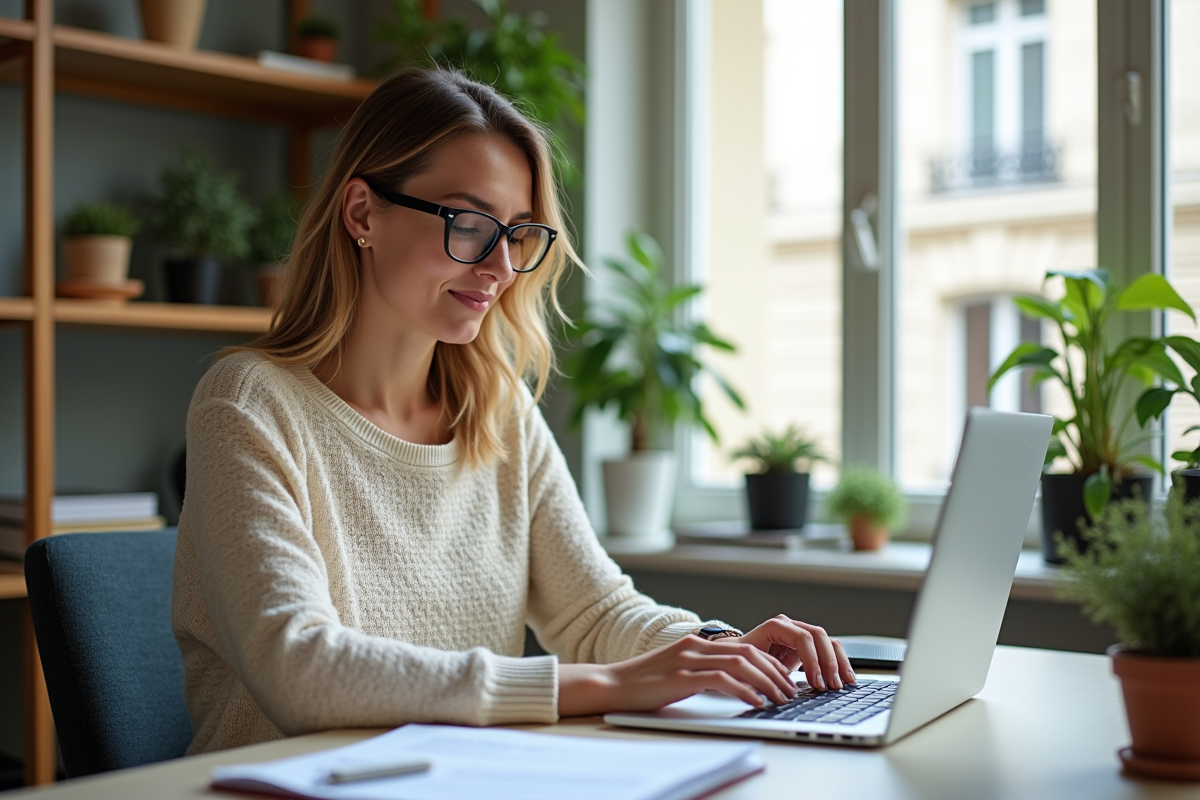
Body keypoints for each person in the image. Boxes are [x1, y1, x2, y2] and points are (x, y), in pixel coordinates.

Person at [172, 67, 855, 755]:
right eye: (469, 225)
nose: (500, 266)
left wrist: (717, 649)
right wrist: (607, 685)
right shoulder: (250, 404)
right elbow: (302, 671)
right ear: (362, 213)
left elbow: (594, 612)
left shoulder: (497, 412)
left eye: (519, 234)